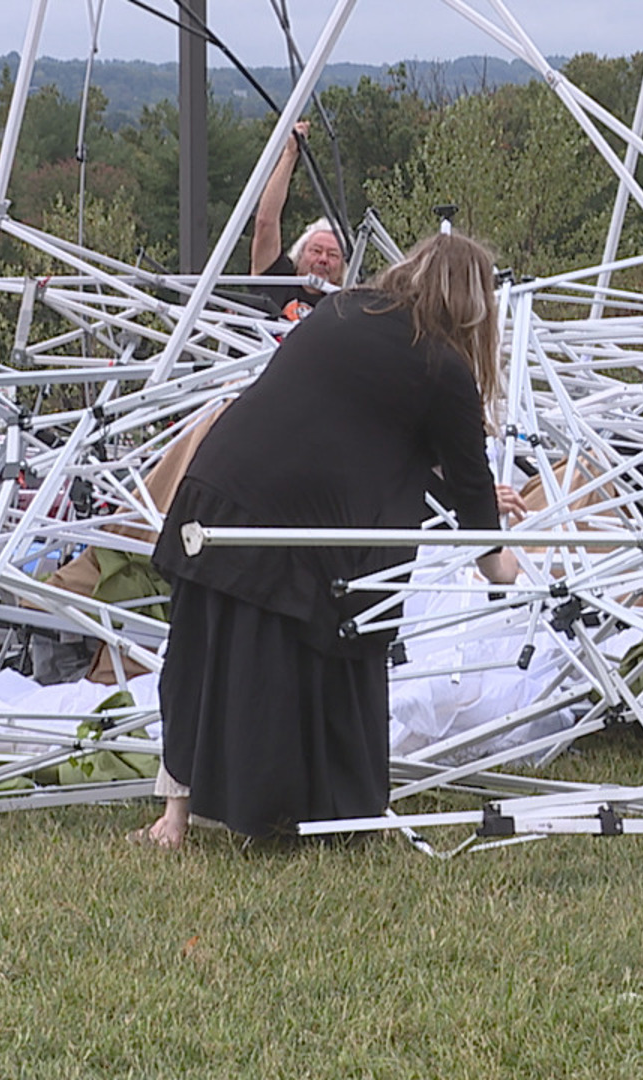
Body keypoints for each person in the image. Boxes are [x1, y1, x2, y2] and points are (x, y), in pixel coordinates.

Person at [136, 231, 520, 848]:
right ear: (473, 307)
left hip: (215, 492)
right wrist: (504, 565)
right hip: (299, 532)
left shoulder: (339, 311)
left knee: (200, 654)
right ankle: (283, 813)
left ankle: (173, 818)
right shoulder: (442, 367)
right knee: (293, 661)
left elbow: (353, 435)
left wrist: (462, 501)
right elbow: (470, 495)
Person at [249, 121, 343, 321]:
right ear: (300, 256)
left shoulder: (344, 307)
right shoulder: (277, 278)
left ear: (343, 268)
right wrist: (290, 154)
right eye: (316, 251)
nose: (323, 259)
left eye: (333, 255)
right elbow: (266, 222)